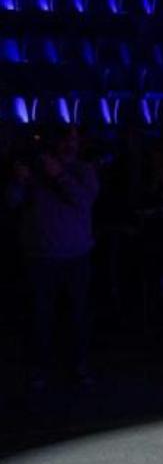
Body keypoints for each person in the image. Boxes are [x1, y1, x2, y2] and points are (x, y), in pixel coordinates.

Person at [5, 125, 99, 389]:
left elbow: (84, 200)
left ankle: (80, 366)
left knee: (77, 315)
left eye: (74, 139)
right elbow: (12, 203)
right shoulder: (34, 172)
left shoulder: (83, 170)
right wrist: (18, 181)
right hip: (40, 257)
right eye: (64, 139)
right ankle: (40, 369)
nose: (69, 144)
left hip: (76, 256)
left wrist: (58, 175)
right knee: (40, 317)